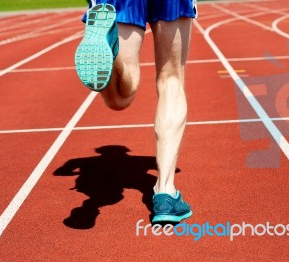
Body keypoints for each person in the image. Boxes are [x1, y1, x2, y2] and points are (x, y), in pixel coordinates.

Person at [74, 0, 197, 223]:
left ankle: (111, 51)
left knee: (121, 98)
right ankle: (166, 192)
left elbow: (61, 172)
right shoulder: (140, 161)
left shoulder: (83, 162)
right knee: (171, 79)